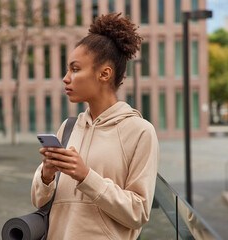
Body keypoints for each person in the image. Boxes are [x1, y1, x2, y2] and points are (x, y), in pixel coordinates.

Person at [31, 13, 159, 240]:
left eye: (75, 69)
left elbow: (138, 212)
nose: (66, 78)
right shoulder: (69, 127)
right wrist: (47, 175)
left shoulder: (140, 132)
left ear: (104, 74)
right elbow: (40, 201)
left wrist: (86, 177)